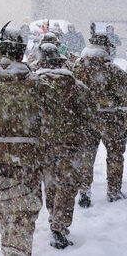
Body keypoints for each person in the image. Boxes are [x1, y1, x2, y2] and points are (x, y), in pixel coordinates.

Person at [0, 24, 43, 256]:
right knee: (25, 213)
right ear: (22, 54)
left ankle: (9, 248)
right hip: (28, 158)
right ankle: (18, 251)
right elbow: (49, 122)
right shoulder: (37, 85)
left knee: (5, 208)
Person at [36, 42, 94, 249]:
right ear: (60, 61)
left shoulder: (34, 84)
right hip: (70, 145)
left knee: (50, 182)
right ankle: (59, 226)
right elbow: (89, 115)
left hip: (43, 144)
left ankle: (54, 216)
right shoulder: (76, 86)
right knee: (67, 186)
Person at [73, 25, 127, 205]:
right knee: (115, 155)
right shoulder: (114, 71)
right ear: (107, 48)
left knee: (86, 155)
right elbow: (124, 96)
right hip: (111, 119)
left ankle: (84, 191)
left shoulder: (78, 68)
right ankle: (113, 191)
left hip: (86, 119)